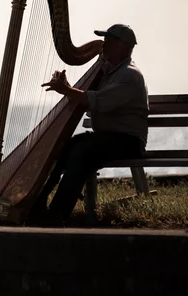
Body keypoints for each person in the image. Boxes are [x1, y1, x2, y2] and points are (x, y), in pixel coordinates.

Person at [34, 23, 149, 226]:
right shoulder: (110, 72)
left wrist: (66, 91)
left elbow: (97, 101)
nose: (103, 44)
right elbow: (91, 99)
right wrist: (69, 88)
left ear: (123, 47)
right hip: (108, 138)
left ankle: (57, 215)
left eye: (110, 41)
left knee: (83, 153)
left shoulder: (130, 76)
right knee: (66, 147)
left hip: (128, 141)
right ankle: (36, 204)